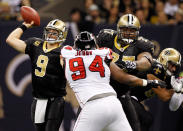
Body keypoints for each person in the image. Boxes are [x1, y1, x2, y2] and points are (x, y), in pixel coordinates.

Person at [60, 31, 165, 131]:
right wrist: (148, 82)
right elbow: (124, 78)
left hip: (92, 105)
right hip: (113, 103)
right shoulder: (102, 55)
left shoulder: (67, 55)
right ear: (95, 45)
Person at [6, 19, 67, 131]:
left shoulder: (64, 52)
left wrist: (65, 64)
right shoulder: (36, 44)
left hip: (56, 99)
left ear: (62, 34)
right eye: (49, 31)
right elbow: (10, 40)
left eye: (55, 33)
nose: (50, 35)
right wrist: (24, 26)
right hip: (38, 99)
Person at [97, 13, 154, 131]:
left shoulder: (141, 45)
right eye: (125, 29)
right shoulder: (106, 38)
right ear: (118, 29)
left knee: (135, 127)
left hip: (122, 94)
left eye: (132, 30)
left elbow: (147, 61)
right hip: (100, 92)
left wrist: (133, 64)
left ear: (137, 31)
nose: (128, 32)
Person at [130, 48, 182, 130]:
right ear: (163, 59)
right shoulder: (155, 67)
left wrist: (180, 91)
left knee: (145, 120)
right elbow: (163, 96)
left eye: (176, 67)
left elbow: (173, 106)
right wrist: (177, 90)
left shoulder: (165, 76)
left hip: (132, 99)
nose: (174, 69)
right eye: (172, 65)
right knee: (146, 119)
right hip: (124, 95)